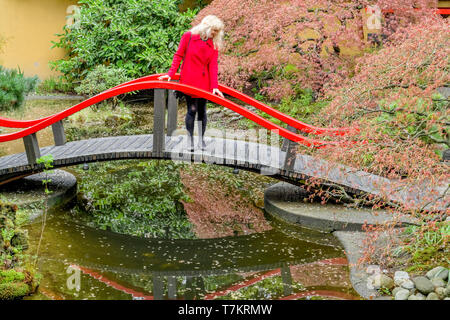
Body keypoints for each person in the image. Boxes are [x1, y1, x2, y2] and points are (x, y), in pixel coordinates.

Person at [159, 15, 225, 151]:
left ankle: (201, 140)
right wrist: (170, 74)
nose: (215, 34)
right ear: (206, 27)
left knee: (202, 111)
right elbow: (178, 55)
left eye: (217, 32)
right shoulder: (188, 36)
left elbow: (213, 66)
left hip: (204, 81)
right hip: (189, 79)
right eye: (213, 30)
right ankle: (190, 140)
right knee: (192, 109)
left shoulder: (214, 44)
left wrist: (214, 86)